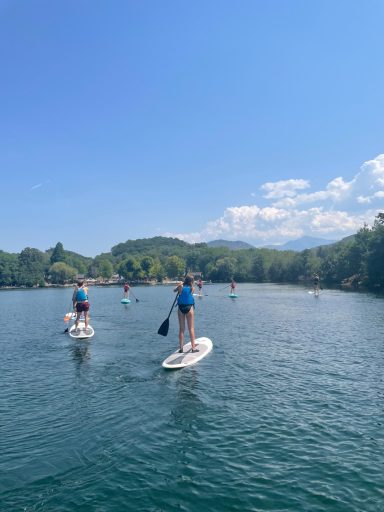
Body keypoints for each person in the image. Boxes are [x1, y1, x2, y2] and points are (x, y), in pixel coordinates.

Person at [174, 275, 198, 353]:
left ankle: (181, 348)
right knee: (191, 329)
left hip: (180, 309)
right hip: (189, 308)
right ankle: (193, 349)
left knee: (181, 329)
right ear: (191, 281)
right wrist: (181, 284)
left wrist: (179, 285)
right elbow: (189, 292)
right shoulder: (192, 288)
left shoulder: (180, 287)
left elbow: (174, 290)